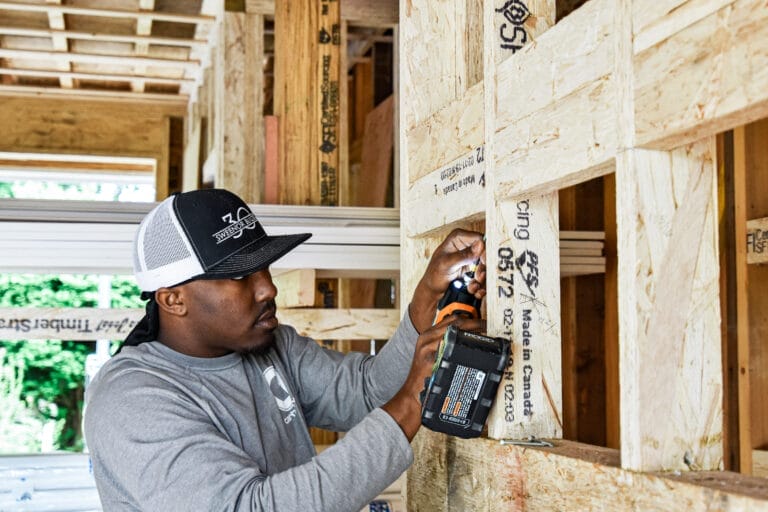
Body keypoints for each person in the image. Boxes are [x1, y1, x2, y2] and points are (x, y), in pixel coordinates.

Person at [84, 188, 486, 511]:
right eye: (240, 276)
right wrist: (413, 399)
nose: (268, 288)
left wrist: (425, 299)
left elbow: (366, 393)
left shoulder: (269, 345)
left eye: (265, 268)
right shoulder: (131, 401)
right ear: (173, 300)